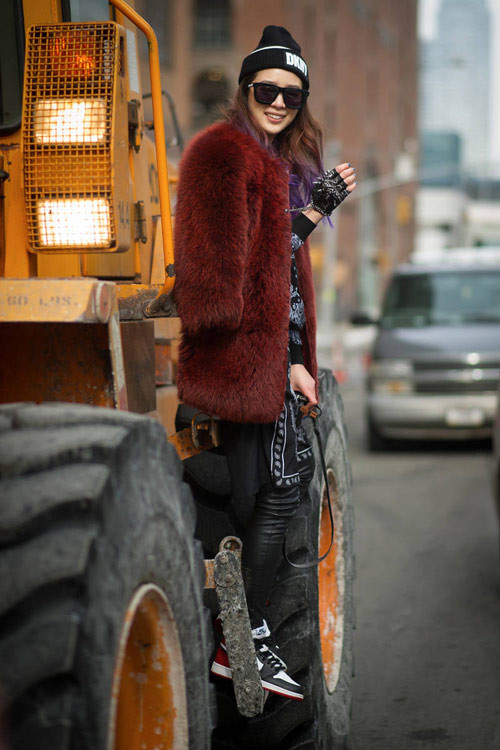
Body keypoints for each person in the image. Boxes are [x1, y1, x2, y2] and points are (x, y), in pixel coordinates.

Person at [174, 25, 357, 701]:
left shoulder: (267, 161)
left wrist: (295, 359)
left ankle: (243, 637)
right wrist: (310, 215)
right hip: (246, 362)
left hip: (270, 361)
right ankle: (241, 637)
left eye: (291, 94)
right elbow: (232, 274)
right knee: (267, 498)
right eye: (266, 89)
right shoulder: (225, 153)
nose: (278, 102)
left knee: (275, 493)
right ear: (245, 89)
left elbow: (278, 283)